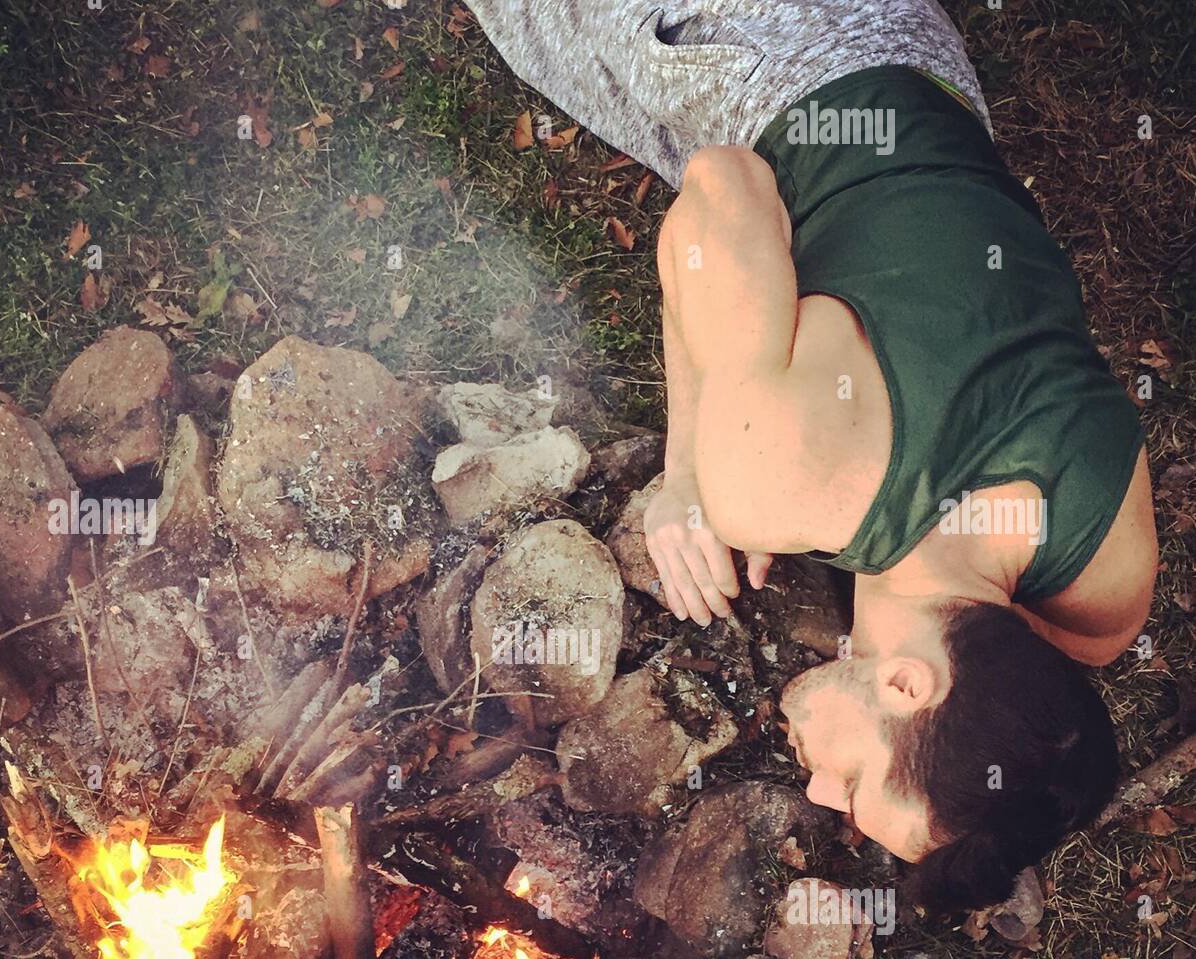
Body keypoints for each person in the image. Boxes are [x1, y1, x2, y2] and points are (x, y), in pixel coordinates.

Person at [464, 1, 1158, 910]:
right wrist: (695, 480)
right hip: (768, 49)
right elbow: (722, 185)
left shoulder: (1104, 595)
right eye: (857, 784)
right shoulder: (783, 482)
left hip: (927, 72)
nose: (821, 793)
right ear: (908, 682)